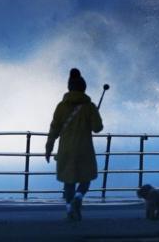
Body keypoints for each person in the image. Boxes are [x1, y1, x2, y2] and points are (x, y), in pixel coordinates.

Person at [45, 67, 104, 221]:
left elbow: (54, 128)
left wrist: (49, 147)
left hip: (66, 150)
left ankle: (70, 208)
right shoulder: (89, 107)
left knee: (68, 181)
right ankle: (78, 197)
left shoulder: (61, 106)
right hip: (84, 149)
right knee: (86, 179)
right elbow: (97, 128)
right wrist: (95, 114)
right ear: (84, 89)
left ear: (69, 88)